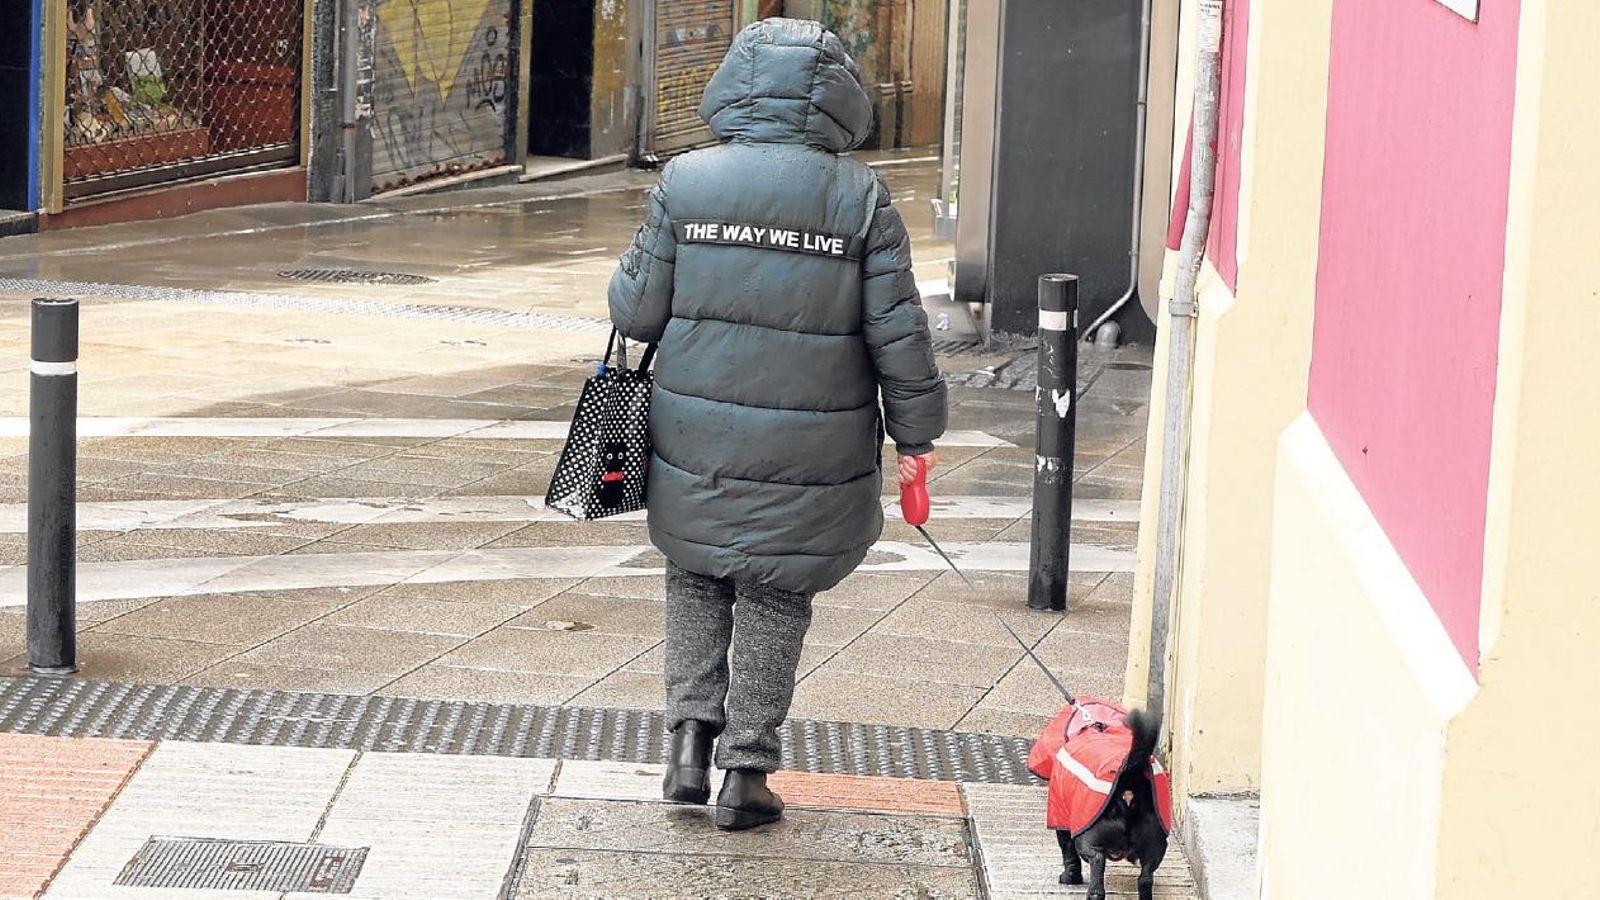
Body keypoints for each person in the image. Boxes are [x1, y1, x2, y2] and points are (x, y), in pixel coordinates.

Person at [607, 17, 946, 832]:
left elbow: (635, 312)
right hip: (812, 442)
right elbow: (899, 334)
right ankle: (745, 774)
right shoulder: (860, 197)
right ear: (837, 97)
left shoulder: (687, 182)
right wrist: (917, 435)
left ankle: (688, 747)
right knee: (776, 591)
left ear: (733, 87)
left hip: (695, 431)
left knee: (695, 573)